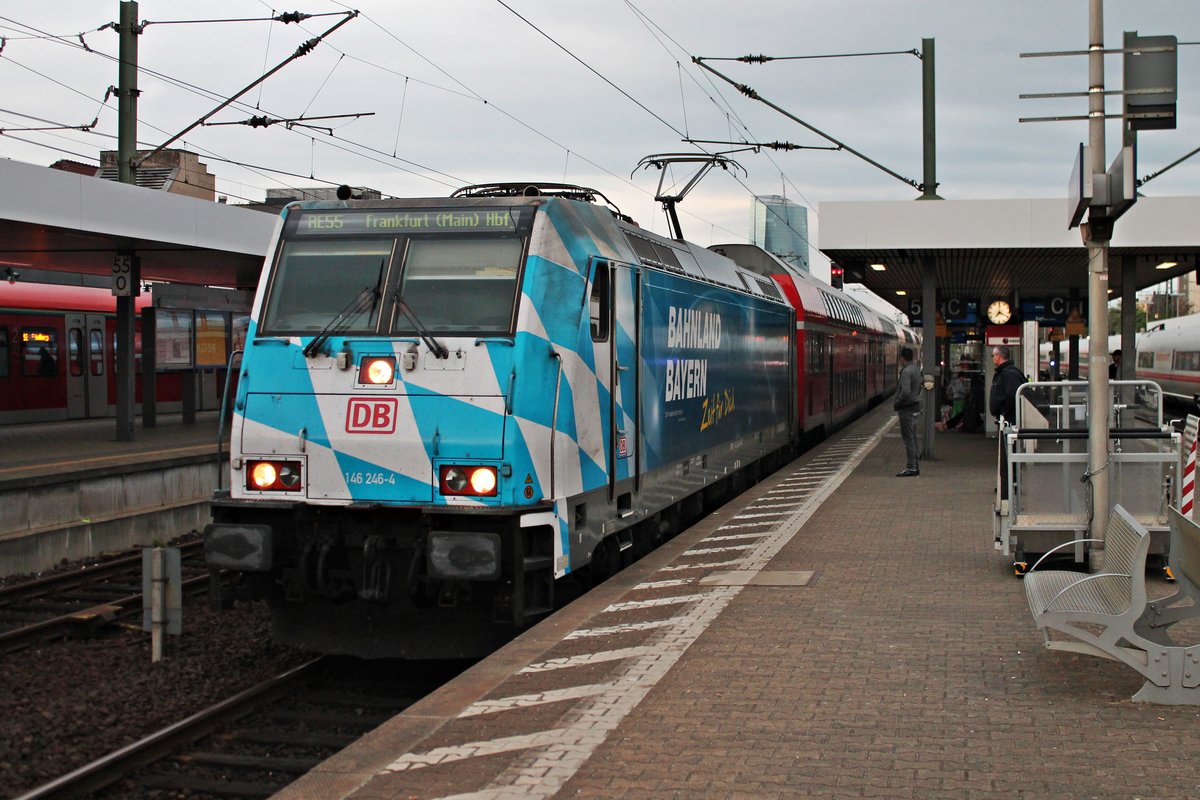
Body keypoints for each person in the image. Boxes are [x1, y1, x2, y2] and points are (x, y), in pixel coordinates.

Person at [894, 346, 922, 477]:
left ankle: (911, 467)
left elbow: (905, 392)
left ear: (902, 358)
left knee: (908, 438)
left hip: (906, 408)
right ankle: (915, 463)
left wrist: (897, 402)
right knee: (913, 436)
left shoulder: (906, 372)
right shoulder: (916, 370)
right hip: (915, 406)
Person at [989, 345, 1026, 426]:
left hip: (1009, 419)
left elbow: (1012, 395)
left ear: (998, 356)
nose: (992, 358)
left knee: (1009, 438)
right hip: (1006, 418)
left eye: (993, 355)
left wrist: (1004, 412)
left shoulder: (1009, 373)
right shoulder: (1005, 372)